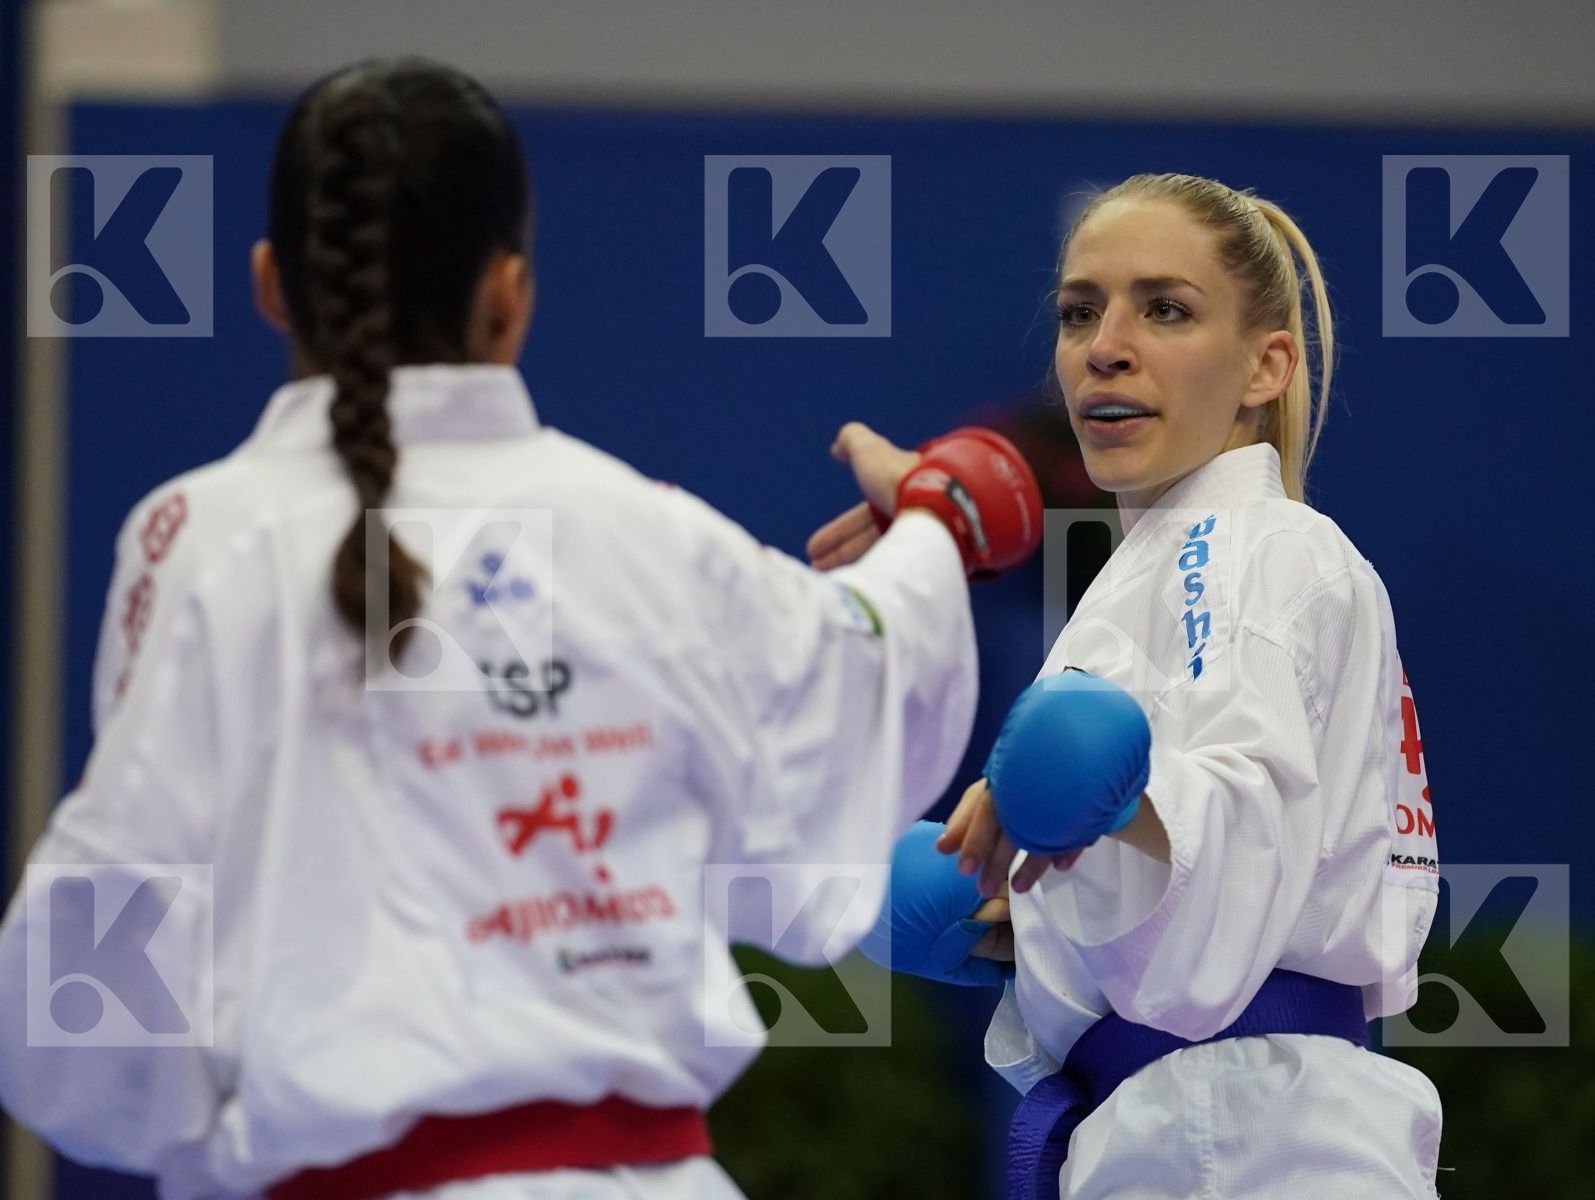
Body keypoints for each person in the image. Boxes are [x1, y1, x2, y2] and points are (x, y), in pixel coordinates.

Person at [0, 58, 1043, 1200]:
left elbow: (102, 960)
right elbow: (861, 667)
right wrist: (941, 517)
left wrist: (186, 1133)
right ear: (510, 296)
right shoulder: (649, 538)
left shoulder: (199, 537)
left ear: (268, 285)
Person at [820, 173, 1444, 1197]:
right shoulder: (1165, 572)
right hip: (1183, 1123)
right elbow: (1202, 875)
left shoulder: (1258, 546)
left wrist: (1109, 795)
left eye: (1164, 309)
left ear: (1263, 366)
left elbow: (1231, 814)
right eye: (1078, 312)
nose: (1104, 343)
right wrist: (1018, 933)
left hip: (1247, 1139)